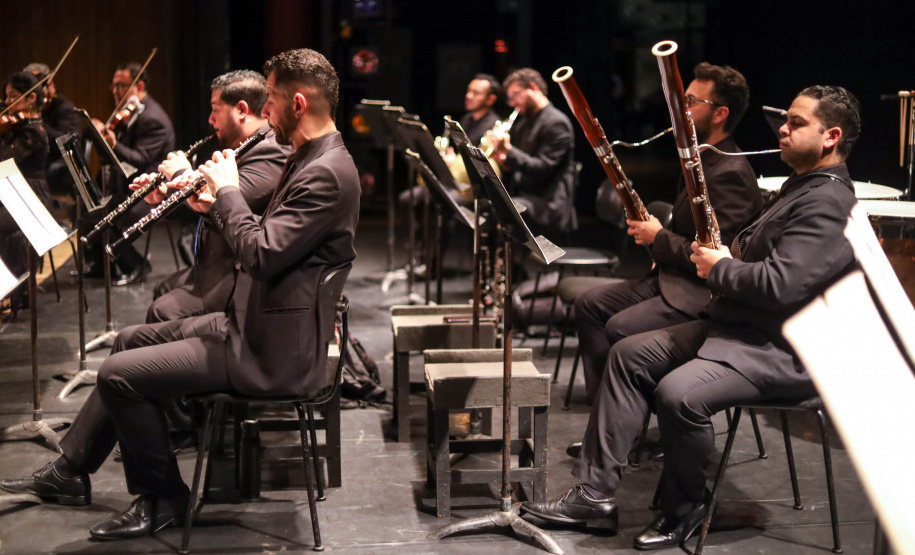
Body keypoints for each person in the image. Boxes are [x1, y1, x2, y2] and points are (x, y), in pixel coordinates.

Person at [0, 48, 360, 542]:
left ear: (297, 103)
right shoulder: (310, 157)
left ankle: (162, 496)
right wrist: (213, 199)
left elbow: (260, 254)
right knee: (128, 341)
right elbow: (264, 239)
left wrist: (228, 191)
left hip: (269, 350)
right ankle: (70, 470)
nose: (264, 110)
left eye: (270, 99)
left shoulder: (326, 171)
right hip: (251, 324)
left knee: (117, 374)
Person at [520, 85, 861, 550]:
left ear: (831, 137)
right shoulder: (799, 188)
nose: (782, 128)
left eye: (797, 123)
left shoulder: (826, 202)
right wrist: (723, 256)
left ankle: (686, 506)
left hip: (775, 349)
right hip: (736, 330)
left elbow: (781, 285)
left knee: (679, 393)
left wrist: (720, 266)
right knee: (627, 353)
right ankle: (593, 495)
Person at [573, 63, 762, 406]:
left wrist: (658, 236)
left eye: (689, 101)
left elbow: (722, 258)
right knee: (589, 304)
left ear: (720, 113)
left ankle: (633, 420)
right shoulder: (702, 158)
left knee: (619, 326)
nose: (680, 110)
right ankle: (604, 408)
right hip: (669, 277)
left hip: (698, 293)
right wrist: (652, 233)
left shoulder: (731, 173)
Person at [144, 69, 290, 323]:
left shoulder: (271, 150)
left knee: (162, 311)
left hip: (239, 275)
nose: (210, 120)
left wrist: (181, 172)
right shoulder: (246, 146)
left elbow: (226, 200)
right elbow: (203, 206)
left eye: (215, 109)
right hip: (216, 266)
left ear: (242, 109)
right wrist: (165, 192)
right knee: (162, 289)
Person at [85, 62, 176, 286]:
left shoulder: (153, 118)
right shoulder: (130, 111)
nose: (115, 91)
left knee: (104, 217)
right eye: (113, 86)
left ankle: (136, 263)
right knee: (88, 210)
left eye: (121, 86)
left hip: (152, 189)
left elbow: (141, 160)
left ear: (139, 85)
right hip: (129, 184)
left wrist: (114, 144)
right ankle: (100, 265)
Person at [490, 67, 576, 233]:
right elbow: (522, 162)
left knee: (504, 210)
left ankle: (510, 259)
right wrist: (504, 162)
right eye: (509, 99)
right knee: (491, 204)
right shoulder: (524, 123)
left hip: (547, 201)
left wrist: (508, 150)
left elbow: (544, 169)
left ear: (533, 87)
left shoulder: (557, 123)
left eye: (515, 95)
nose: (512, 103)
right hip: (527, 194)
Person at [0, 72, 52, 310]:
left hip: (29, 198)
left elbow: (3, 161)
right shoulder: (17, 126)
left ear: (31, 99)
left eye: (13, 97)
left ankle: (9, 289)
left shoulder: (33, 133)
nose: (7, 102)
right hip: (11, 192)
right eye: (6, 96)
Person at [24, 62, 81, 198]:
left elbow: (65, 143)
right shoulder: (27, 109)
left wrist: (38, 122)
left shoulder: (65, 109)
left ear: (50, 85)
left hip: (57, 165)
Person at [459, 73, 500, 147]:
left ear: (491, 99)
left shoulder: (495, 126)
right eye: (468, 91)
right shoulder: (466, 119)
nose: (468, 96)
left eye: (476, 93)